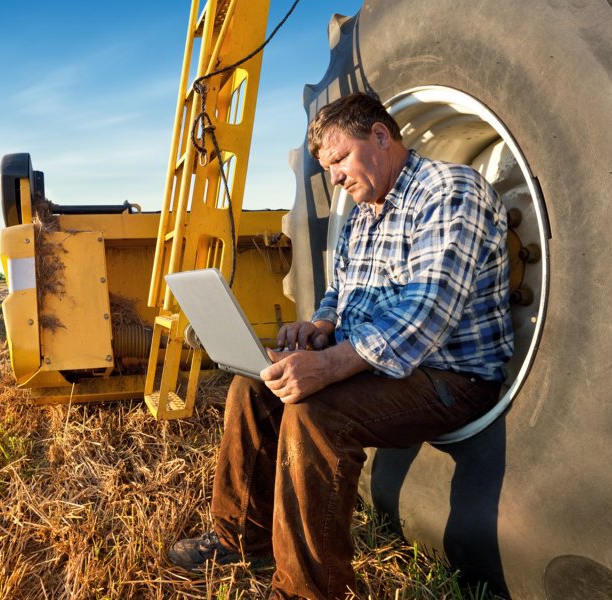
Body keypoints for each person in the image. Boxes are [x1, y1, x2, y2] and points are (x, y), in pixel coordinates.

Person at [168, 92, 514, 599]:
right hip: (383, 369)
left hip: (450, 377)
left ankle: (309, 590)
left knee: (314, 412)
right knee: (253, 386)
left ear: (379, 136)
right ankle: (239, 536)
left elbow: (425, 315)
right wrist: (321, 326)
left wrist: (328, 366)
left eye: (338, 160)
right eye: (327, 167)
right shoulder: (362, 213)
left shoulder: (449, 191)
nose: (334, 177)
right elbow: (343, 288)